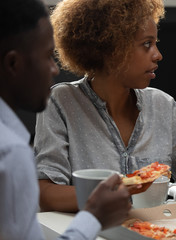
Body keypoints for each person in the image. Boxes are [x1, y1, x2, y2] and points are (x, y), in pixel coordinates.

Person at [34, 0, 176, 213]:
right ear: (111, 49)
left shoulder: (164, 106)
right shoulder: (61, 102)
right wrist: (121, 189)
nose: (158, 55)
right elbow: (46, 193)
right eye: (147, 44)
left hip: (154, 232)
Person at [0, 0, 132, 239]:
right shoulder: (10, 154)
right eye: (48, 56)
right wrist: (93, 215)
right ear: (13, 63)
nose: (54, 69)